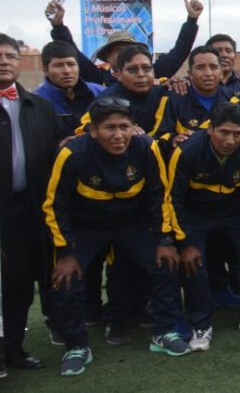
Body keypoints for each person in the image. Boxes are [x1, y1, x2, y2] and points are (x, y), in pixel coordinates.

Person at [45, 99, 190, 376]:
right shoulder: (72, 154)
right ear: (92, 131)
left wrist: (163, 241)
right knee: (66, 278)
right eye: (109, 128)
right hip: (84, 227)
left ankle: (165, 331)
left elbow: (160, 195)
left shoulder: (146, 147)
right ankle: (76, 346)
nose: (118, 135)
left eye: (124, 127)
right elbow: (55, 206)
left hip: (131, 224)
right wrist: (65, 252)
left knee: (166, 264)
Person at [167, 102, 240, 350]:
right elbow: (173, 199)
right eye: (224, 132)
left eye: (237, 134)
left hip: (234, 215)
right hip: (196, 217)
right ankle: (200, 324)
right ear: (210, 129)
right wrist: (183, 242)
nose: (230, 140)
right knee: (194, 263)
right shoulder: (187, 151)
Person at [0, 34, 58, 374]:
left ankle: (14, 350)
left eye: (10, 55)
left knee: (21, 282)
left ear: (21, 62)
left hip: (31, 207)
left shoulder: (39, 106)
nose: (4, 61)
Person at [45, 0, 203, 87]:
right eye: (119, 50)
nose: (125, 54)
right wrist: (58, 26)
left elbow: (179, 52)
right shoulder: (99, 79)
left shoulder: (153, 72)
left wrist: (192, 20)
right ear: (108, 57)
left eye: (130, 49)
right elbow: (75, 56)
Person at [157, 46, 237, 148]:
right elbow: (159, 137)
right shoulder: (172, 99)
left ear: (221, 73)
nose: (208, 73)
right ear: (190, 74)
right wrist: (172, 140)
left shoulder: (232, 100)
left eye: (213, 67)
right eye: (200, 67)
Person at [81, 45, 170, 136]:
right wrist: (120, 128)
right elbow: (84, 126)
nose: (141, 74)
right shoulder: (106, 100)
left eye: (146, 68)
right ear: (118, 74)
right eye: (132, 70)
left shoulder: (166, 91)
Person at [34, 40, 105, 138]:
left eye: (71, 64)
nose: (67, 71)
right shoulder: (35, 102)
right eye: (58, 65)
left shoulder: (100, 93)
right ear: (46, 70)